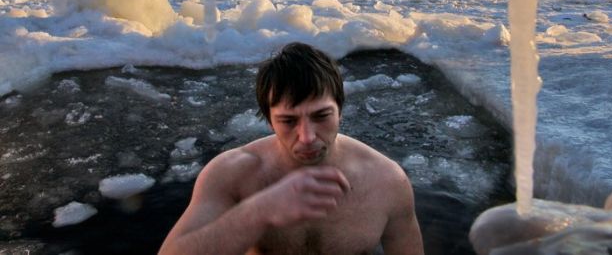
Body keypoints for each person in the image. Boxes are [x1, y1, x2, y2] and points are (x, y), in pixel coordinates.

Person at [159, 42, 424, 255]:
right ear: (269, 119)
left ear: (340, 111)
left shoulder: (387, 181)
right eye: (288, 121)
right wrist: (259, 211)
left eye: (321, 116)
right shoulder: (232, 175)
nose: (307, 137)